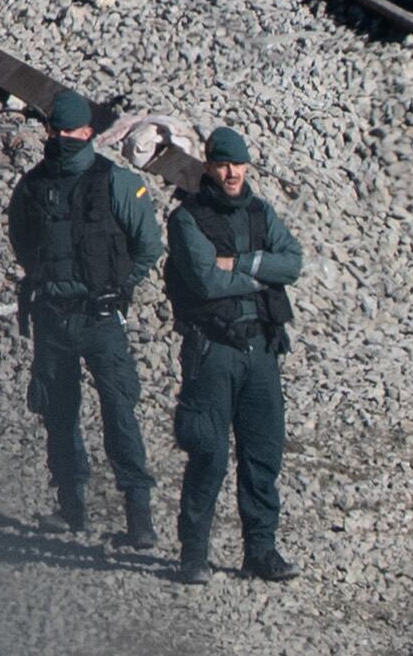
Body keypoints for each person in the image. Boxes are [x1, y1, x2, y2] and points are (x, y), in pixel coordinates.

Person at [6, 88, 162, 550]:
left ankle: (139, 517)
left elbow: (148, 246)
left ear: (89, 132)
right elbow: (23, 243)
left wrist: (121, 285)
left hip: (101, 319)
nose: (61, 139)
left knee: (119, 413)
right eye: (55, 131)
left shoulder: (116, 182)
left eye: (70, 131)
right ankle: (71, 507)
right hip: (53, 318)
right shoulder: (32, 186)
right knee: (59, 414)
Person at [166, 126, 302, 586]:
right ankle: (193, 555)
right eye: (224, 164)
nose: (232, 173)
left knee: (263, 454)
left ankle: (261, 551)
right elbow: (206, 281)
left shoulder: (261, 212)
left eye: (239, 164)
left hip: (262, 349)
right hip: (213, 351)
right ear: (208, 165)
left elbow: (293, 262)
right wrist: (263, 273)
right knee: (208, 454)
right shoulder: (187, 218)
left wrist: (240, 263)